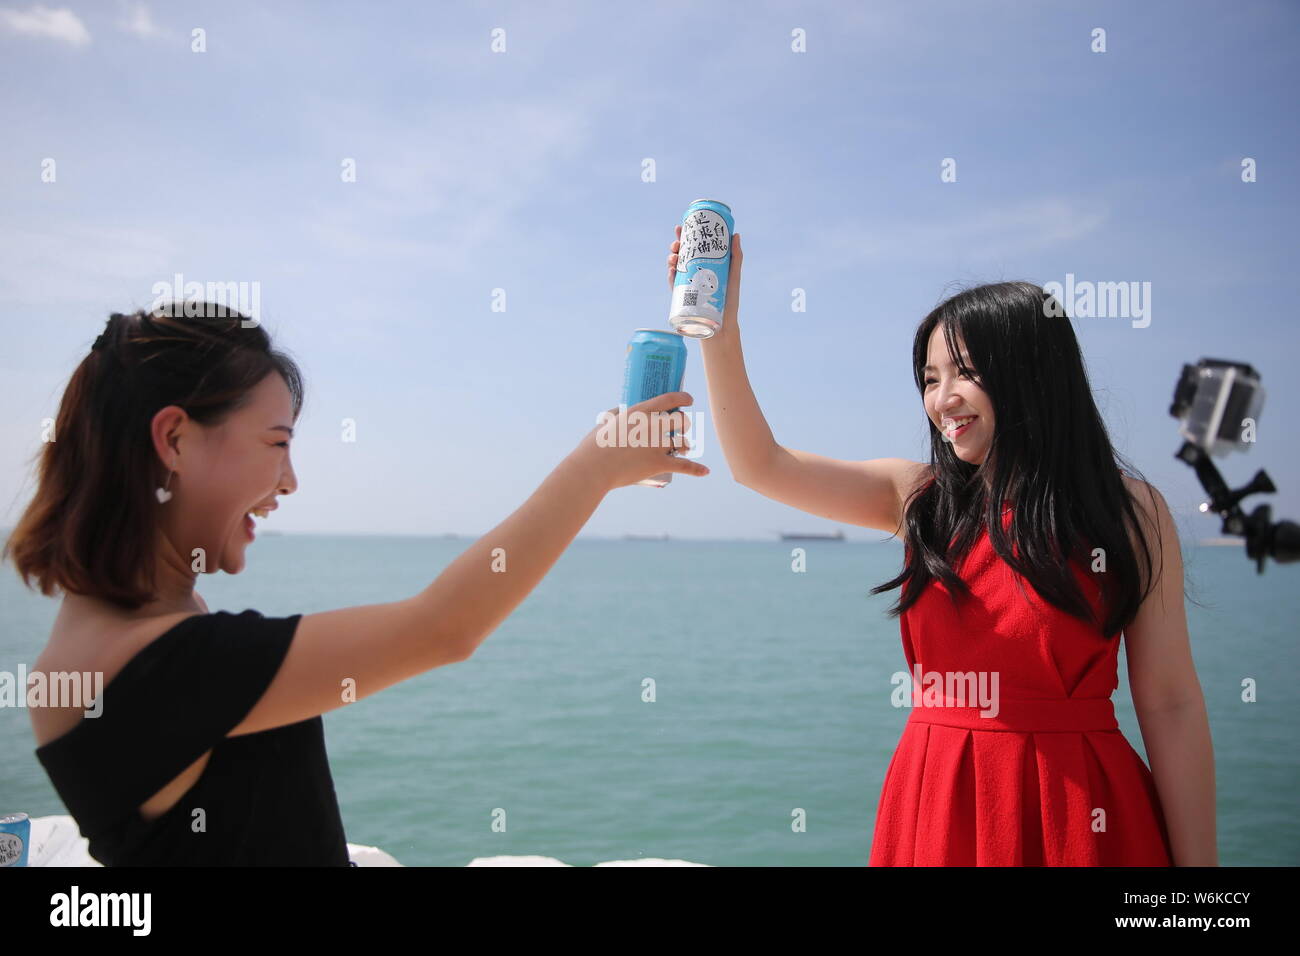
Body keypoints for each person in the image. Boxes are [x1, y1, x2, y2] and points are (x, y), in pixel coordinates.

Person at [4, 303, 708, 865]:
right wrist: (597, 466)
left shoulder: (116, 631)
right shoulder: (159, 667)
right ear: (176, 440)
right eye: (277, 443)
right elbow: (444, 627)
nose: (289, 481)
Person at [669, 227, 1216, 866]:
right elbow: (760, 465)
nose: (941, 399)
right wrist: (719, 332)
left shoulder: (1128, 511)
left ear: (1034, 373)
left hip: (1080, 816)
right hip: (937, 804)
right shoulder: (918, 498)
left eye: (966, 372)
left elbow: (1170, 703)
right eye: (930, 378)